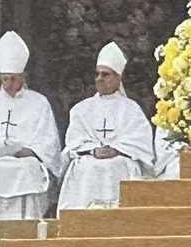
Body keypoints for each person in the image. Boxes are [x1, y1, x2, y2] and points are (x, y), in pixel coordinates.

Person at [0, 31, 61, 220]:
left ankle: (26, 227)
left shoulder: (39, 102)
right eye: (4, 79)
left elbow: (48, 138)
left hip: (25, 159)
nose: (8, 84)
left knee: (28, 170)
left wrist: (32, 151)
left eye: (12, 79)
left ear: (23, 77)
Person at [57, 43, 156, 211]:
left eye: (105, 74)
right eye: (97, 74)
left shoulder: (132, 109)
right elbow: (74, 141)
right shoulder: (81, 109)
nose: (99, 78)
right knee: (87, 166)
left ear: (118, 78)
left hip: (121, 160)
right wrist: (93, 150)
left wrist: (117, 149)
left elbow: (141, 143)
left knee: (116, 165)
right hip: (89, 158)